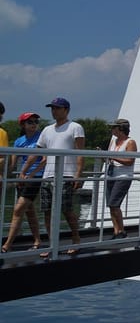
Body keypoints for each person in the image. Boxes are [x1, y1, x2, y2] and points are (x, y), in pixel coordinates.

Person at [21, 97, 84, 256]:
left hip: (66, 175)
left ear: (66, 110)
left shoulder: (75, 127)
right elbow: (37, 153)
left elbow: (80, 153)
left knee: (67, 209)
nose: (54, 111)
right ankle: (51, 244)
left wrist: (78, 175)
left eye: (57, 108)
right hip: (48, 176)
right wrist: (25, 171)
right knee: (47, 211)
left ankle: (76, 240)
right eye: (52, 108)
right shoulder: (47, 130)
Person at [1, 112, 44, 252]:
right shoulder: (19, 141)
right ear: (23, 125)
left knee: (18, 209)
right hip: (23, 178)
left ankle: (7, 244)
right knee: (29, 211)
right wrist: (8, 176)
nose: (34, 124)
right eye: (30, 122)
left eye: (35, 121)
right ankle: (37, 240)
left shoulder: (41, 138)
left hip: (36, 177)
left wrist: (30, 175)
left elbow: (45, 160)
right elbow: (13, 163)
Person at [105, 119, 137, 239]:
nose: (112, 129)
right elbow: (109, 157)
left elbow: (130, 161)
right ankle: (116, 230)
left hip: (123, 176)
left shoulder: (130, 142)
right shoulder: (113, 141)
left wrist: (114, 157)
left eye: (114, 127)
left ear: (121, 129)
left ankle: (122, 230)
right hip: (111, 175)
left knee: (114, 203)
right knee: (111, 204)